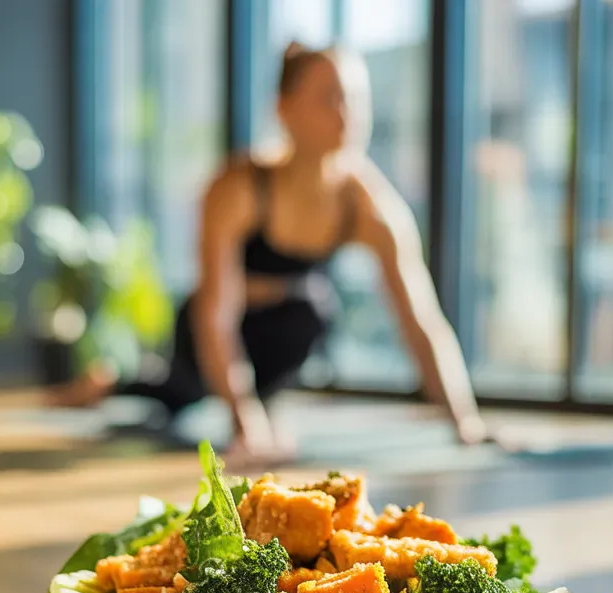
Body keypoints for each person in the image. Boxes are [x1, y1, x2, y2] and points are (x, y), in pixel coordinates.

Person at [54, 43, 488, 459]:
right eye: (329, 97)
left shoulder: (371, 207)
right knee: (181, 395)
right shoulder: (239, 188)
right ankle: (111, 383)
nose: (347, 113)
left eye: (356, 98)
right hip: (212, 327)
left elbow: (422, 321)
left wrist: (465, 422)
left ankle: (255, 402)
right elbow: (216, 313)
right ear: (284, 109)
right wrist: (246, 424)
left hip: (286, 328)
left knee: (313, 309)